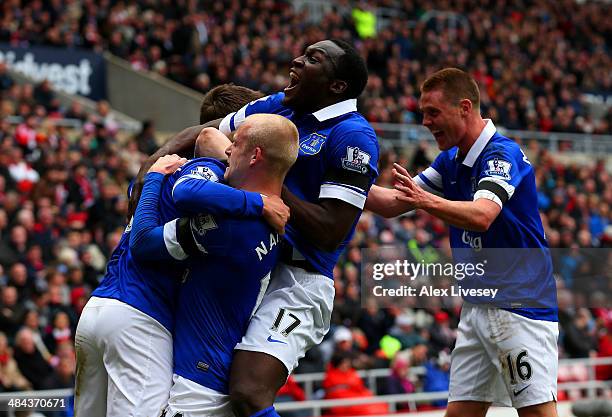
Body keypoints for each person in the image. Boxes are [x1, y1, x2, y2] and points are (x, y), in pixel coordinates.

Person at [136, 39, 379, 417]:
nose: (296, 60)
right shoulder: (279, 106)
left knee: (248, 391)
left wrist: (266, 189)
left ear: (337, 86)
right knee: (206, 382)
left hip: (299, 279)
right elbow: (197, 133)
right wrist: (145, 176)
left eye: (313, 59)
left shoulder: (353, 137)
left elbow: (331, 230)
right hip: (251, 263)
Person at [74, 87, 285, 417]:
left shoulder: (160, 171)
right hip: (141, 316)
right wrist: (258, 201)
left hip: (98, 310)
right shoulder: (209, 180)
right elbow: (147, 242)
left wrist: (156, 174)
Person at [366, 68, 558, 417]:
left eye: (433, 112)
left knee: (537, 413)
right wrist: (339, 181)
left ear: (464, 108)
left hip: (519, 308)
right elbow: (394, 204)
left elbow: (483, 214)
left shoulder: (500, 154)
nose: (425, 122)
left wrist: (427, 202)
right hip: (477, 306)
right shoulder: (451, 161)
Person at [128, 114, 299, 416]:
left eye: (237, 145)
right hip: (216, 373)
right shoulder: (278, 218)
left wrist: (154, 178)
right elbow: (208, 136)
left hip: (196, 387)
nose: (229, 151)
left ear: (256, 155)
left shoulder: (233, 224)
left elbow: (143, 242)